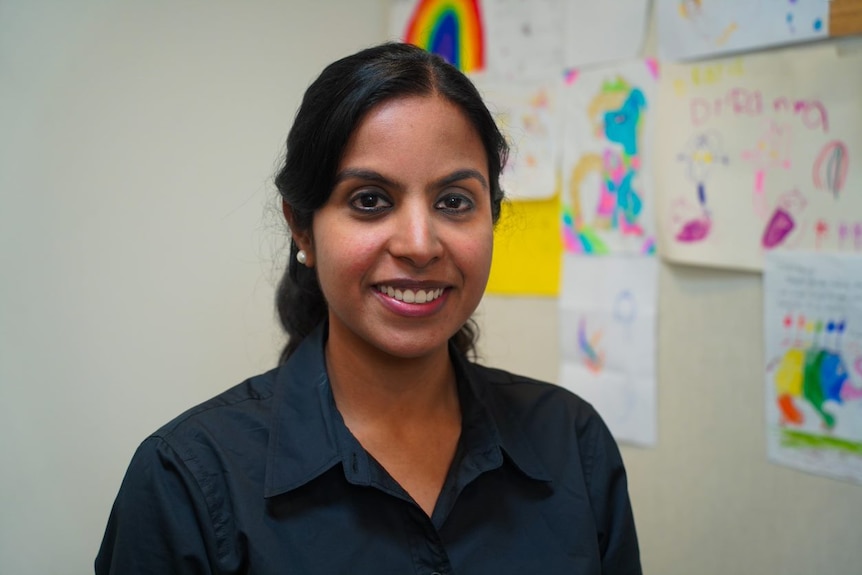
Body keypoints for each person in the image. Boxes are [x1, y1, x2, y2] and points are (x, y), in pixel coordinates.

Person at [95, 42, 642, 574]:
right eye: (370, 200)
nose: (420, 244)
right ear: (301, 227)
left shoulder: (573, 442)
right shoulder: (186, 480)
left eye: (454, 202)